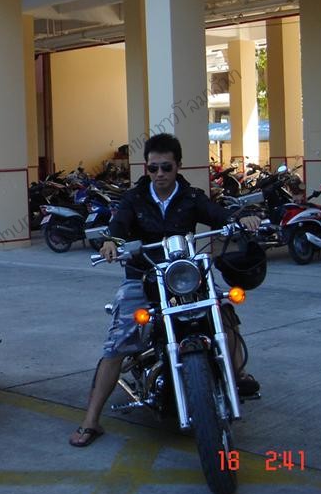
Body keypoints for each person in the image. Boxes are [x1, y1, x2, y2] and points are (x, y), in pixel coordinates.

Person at [69, 133, 261, 448]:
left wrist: (241, 218)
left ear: (177, 166)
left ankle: (236, 374)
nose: (159, 174)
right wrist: (111, 242)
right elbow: (118, 226)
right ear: (146, 168)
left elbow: (217, 214)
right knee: (118, 342)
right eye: (153, 168)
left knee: (224, 312)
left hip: (184, 274)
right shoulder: (134, 199)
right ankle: (91, 420)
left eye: (166, 167)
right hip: (143, 275)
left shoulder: (191, 196)